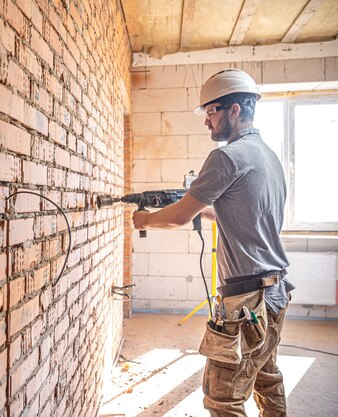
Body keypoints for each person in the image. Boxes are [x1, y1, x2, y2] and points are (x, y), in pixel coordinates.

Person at [132, 69, 295, 417]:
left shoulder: (226, 157)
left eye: (211, 111)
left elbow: (176, 217)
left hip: (247, 301)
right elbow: (250, 214)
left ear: (234, 110)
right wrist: (208, 214)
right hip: (276, 291)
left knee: (222, 397)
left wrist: (144, 220)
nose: (207, 121)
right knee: (266, 376)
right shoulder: (267, 155)